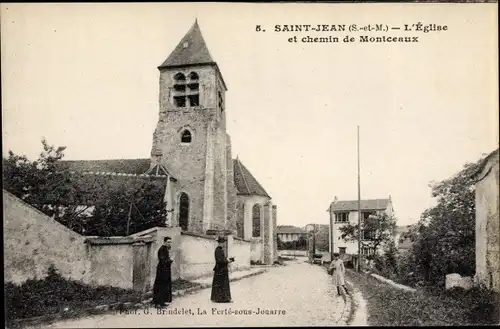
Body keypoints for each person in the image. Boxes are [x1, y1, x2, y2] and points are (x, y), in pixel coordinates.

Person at [210, 236, 235, 303]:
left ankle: (224, 298)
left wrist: (227, 259)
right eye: (222, 243)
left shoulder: (220, 250)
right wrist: (227, 261)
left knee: (223, 284)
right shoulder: (218, 250)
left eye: (223, 243)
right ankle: (220, 299)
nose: (223, 244)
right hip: (220, 270)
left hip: (222, 270)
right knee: (221, 284)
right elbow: (219, 261)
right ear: (219, 243)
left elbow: (222, 259)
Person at [152, 237, 173, 308]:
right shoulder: (161, 249)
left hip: (165, 269)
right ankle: (157, 303)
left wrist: (169, 260)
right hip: (162, 270)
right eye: (168, 242)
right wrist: (170, 260)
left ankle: (162, 301)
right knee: (160, 285)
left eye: (170, 242)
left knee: (165, 285)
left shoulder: (165, 249)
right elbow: (162, 260)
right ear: (164, 242)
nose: (169, 243)